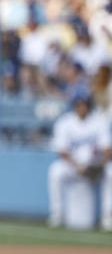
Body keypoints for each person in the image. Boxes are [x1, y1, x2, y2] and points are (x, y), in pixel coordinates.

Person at [47, 92, 112, 230]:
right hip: (73, 166)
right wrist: (77, 166)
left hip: (95, 165)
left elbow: (107, 149)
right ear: (74, 106)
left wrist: (100, 165)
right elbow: (62, 151)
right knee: (55, 171)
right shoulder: (65, 122)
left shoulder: (99, 121)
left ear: (89, 105)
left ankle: (107, 216)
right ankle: (57, 215)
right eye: (79, 104)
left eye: (85, 104)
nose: (82, 107)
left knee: (110, 172)